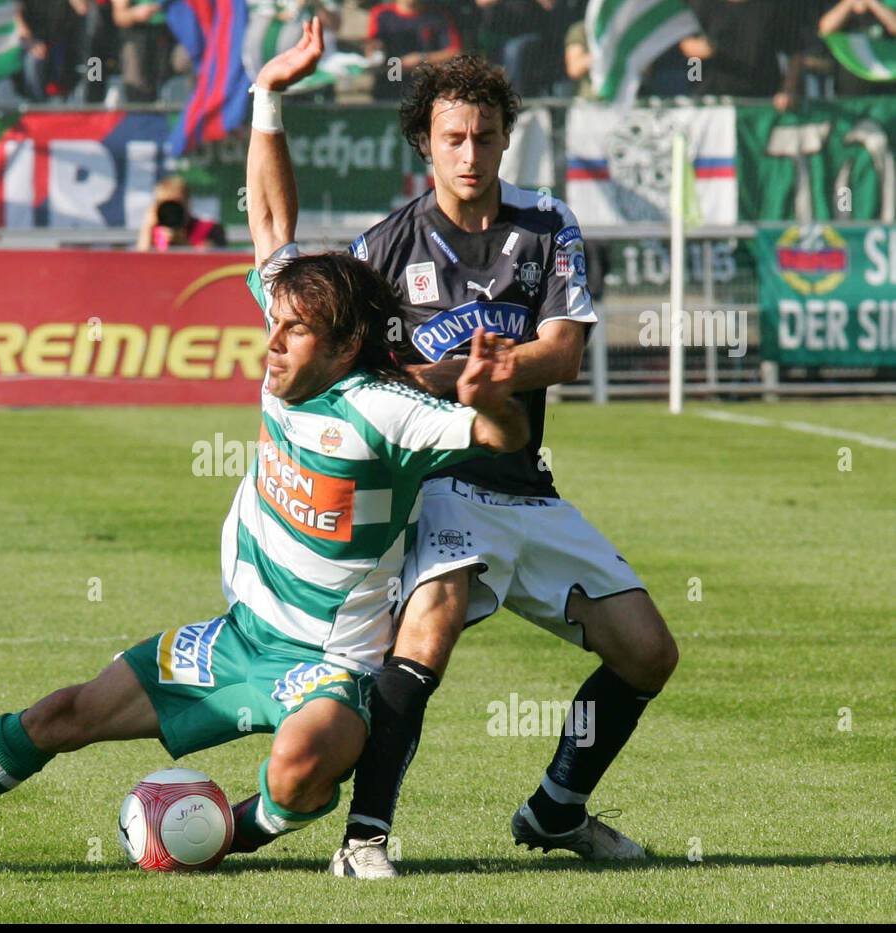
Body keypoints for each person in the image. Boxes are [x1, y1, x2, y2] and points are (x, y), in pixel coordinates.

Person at [0, 67, 530, 867]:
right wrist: (267, 98)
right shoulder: (292, 342)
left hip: (327, 666)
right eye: (278, 323)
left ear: (342, 349)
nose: (272, 343)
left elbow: (500, 437)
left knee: (304, 764)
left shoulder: (384, 410)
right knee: (62, 713)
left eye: (295, 333)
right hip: (240, 638)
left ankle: (225, 831)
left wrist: (497, 396)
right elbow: (270, 221)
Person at [251, 21, 679, 879]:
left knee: (647, 652)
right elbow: (278, 249)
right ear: (425, 145)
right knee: (431, 628)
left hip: (525, 483)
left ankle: (556, 810)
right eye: (452, 138)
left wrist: (494, 368)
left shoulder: (546, 222)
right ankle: (365, 839)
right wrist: (269, 103)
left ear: (505, 137)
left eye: (484, 136)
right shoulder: (383, 249)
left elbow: (563, 351)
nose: (470, 153)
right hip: (441, 485)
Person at [365, 0, 461, 102]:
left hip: (427, 88)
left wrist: (421, 59)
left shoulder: (438, 16)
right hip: (390, 85)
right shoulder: (382, 14)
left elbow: (454, 52)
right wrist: (375, 49)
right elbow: (372, 46)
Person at [136, 175, 226, 251]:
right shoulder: (153, 232)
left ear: (188, 203)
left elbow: (210, 262)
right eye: (165, 205)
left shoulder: (210, 230)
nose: (171, 212)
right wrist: (147, 230)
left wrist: (182, 243)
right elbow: (140, 264)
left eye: (175, 206)